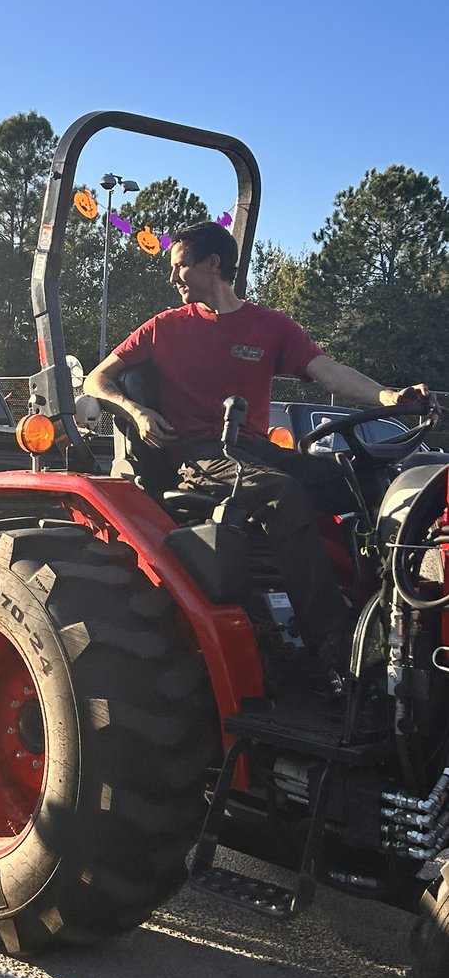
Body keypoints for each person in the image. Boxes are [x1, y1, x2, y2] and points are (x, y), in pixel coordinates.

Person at [84, 219, 430, 691]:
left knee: (371, 482)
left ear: (214, 264)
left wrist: (389, 397)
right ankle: (336, 651)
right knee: (280, 493)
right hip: (201, 453)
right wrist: (137, 410)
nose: (173, 278)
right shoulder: (163, 328)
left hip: (257, 450)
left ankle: (401, 618)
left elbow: (329, 372)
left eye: (180, 266)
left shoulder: (271, 326)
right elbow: (96, 379)